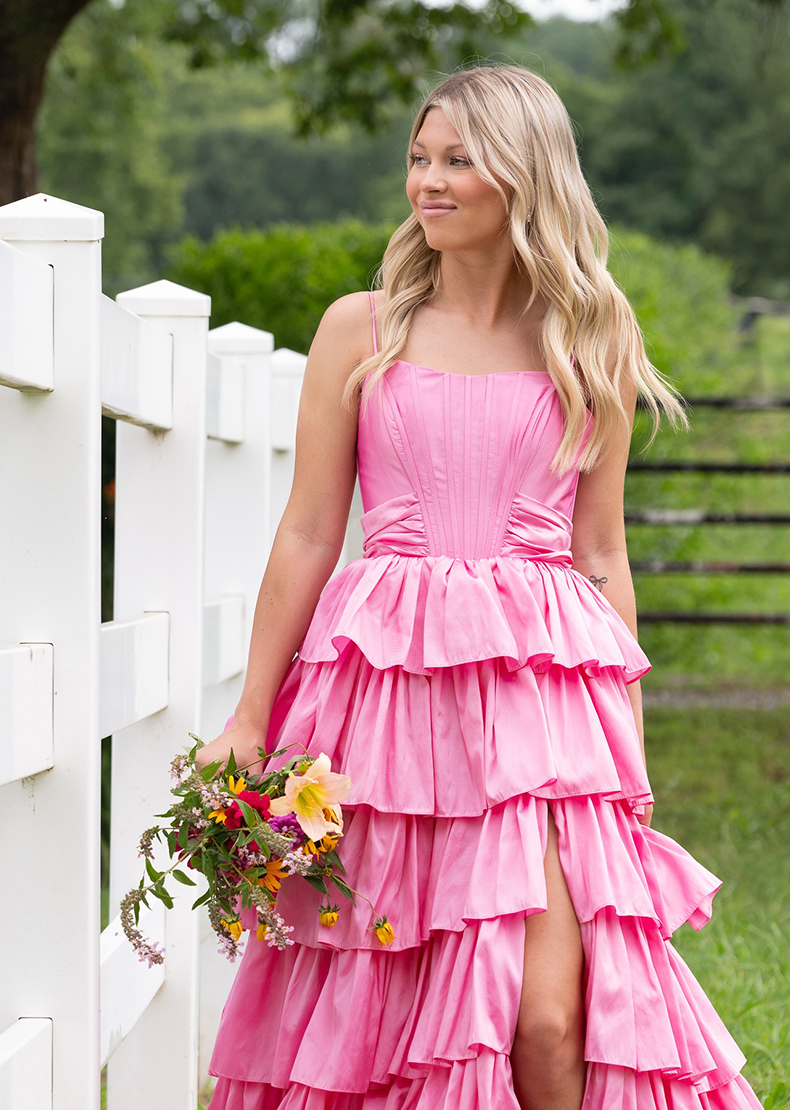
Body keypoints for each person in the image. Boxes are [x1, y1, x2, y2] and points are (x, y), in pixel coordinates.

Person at [197, 64, 764, 1110]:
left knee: (544, 1017)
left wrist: (624, 757)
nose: (429, 182)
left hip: (542, 710)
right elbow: (312, 529)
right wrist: (249, 714)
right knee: (390, 1002)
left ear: (524, 174)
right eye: (420, 158)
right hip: (387, 704)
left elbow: (600, 556)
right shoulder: (358, 331)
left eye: (459, 159)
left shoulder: (593, 334)